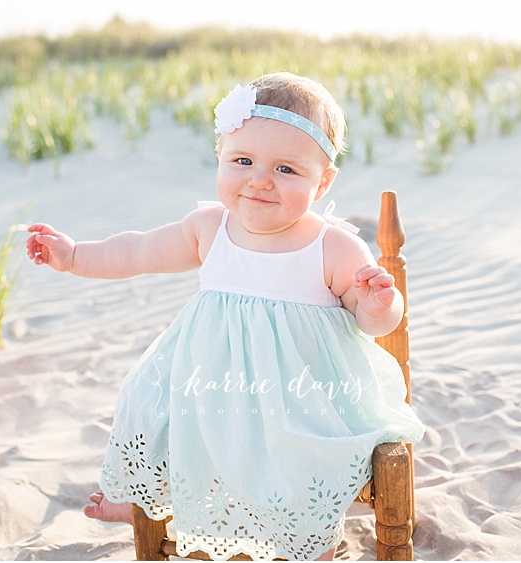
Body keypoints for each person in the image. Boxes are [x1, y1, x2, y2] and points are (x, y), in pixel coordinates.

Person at [25, 71, 424, 561]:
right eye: (243, 160)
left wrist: (381, 303)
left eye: (286, 170)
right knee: (146, 400)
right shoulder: (209, 227)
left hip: (301, 401)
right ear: (220, 155)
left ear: (322, 182)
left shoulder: (332, 245)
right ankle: (146, 495)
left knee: (298, 458)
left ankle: (305, 540)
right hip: (209, 388)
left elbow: (374, 322)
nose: (259, 179)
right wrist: (74, 256)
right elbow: (138, 251)